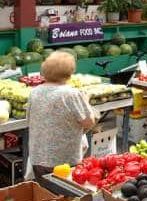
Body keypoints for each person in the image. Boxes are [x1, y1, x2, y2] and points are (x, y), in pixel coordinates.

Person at [27, 51, 96, 181]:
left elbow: (29, 120)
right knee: (67, 195)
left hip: (38, 159)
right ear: (69, 74)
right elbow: (89, 122)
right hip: (64, 161)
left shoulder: (34, 92)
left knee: (46, 194)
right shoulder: (71, 94)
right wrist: (85, 101)